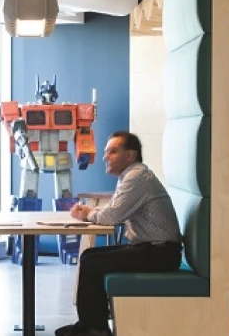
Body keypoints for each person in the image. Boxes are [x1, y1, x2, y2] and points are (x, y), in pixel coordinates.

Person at [55, 131, 183, 336]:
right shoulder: (131, 175)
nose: (105, 157)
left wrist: (88, 213)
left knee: (91, 262)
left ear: (130, 156)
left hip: (161, 253)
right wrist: (91, 213)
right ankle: (93, 325)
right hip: (152, 248)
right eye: (106, 152)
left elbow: (111, 217)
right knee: (89, 256)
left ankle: (94, 329)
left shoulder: (137, 177)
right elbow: (114, 211)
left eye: (112, 151)